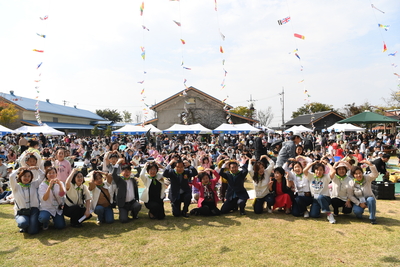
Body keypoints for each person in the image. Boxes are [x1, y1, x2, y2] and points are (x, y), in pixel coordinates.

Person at [9, 166, 45, 234]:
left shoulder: (34, 184)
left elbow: (42, 176)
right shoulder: (16, 186)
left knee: (32, 232)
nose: (27, 178)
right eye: (25, 176)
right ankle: (25, 225)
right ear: (20, 176)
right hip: (22, 212)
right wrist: (19, 169)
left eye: (29, 176)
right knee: (23, 223)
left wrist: (37, 168)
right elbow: (11, 176)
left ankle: (35, 224)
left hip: (33, 210)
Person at [303, 159, 336, 224]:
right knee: (313, 215)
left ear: (323, 171)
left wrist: (327, 164)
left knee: (320, 197)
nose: (318, 171)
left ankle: (329, 214)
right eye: (317, 169)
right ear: (314, 170)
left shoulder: (326, 177)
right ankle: (320, 208)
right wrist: (313, 163)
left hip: (325, 198)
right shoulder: (311, 176)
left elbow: (334, 171)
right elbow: (304, 170)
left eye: (321, 170)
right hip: (315, 199)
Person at [348, 160, 379, 224]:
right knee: (357, 211)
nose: (358, 175)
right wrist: (359, 203)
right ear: (353, 175)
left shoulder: (367, 178)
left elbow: (375, 174)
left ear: (362, 173)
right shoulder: (351, 183)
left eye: (360, 173)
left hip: (368, 199)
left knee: (371, 200)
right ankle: (359, 215)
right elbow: (350, 195)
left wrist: (370, 164)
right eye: (356, 174)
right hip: (359, 200)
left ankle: (372, 217)